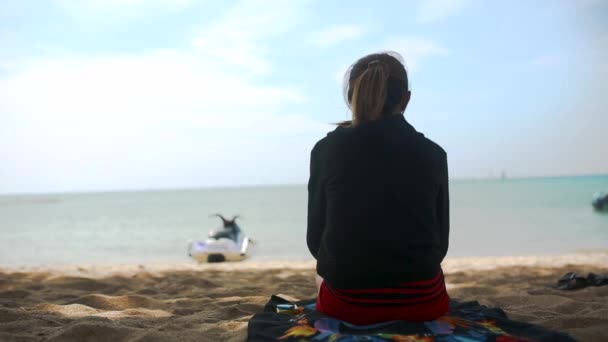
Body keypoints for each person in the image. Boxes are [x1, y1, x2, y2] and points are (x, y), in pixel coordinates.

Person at [307, 51, 450, 325]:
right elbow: (439, 246)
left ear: (351, 96)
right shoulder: (434, 154)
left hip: (348, 307)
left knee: (320, 277)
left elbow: (316, 243)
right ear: (406, 99)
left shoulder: (326, 150)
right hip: (424, 303)